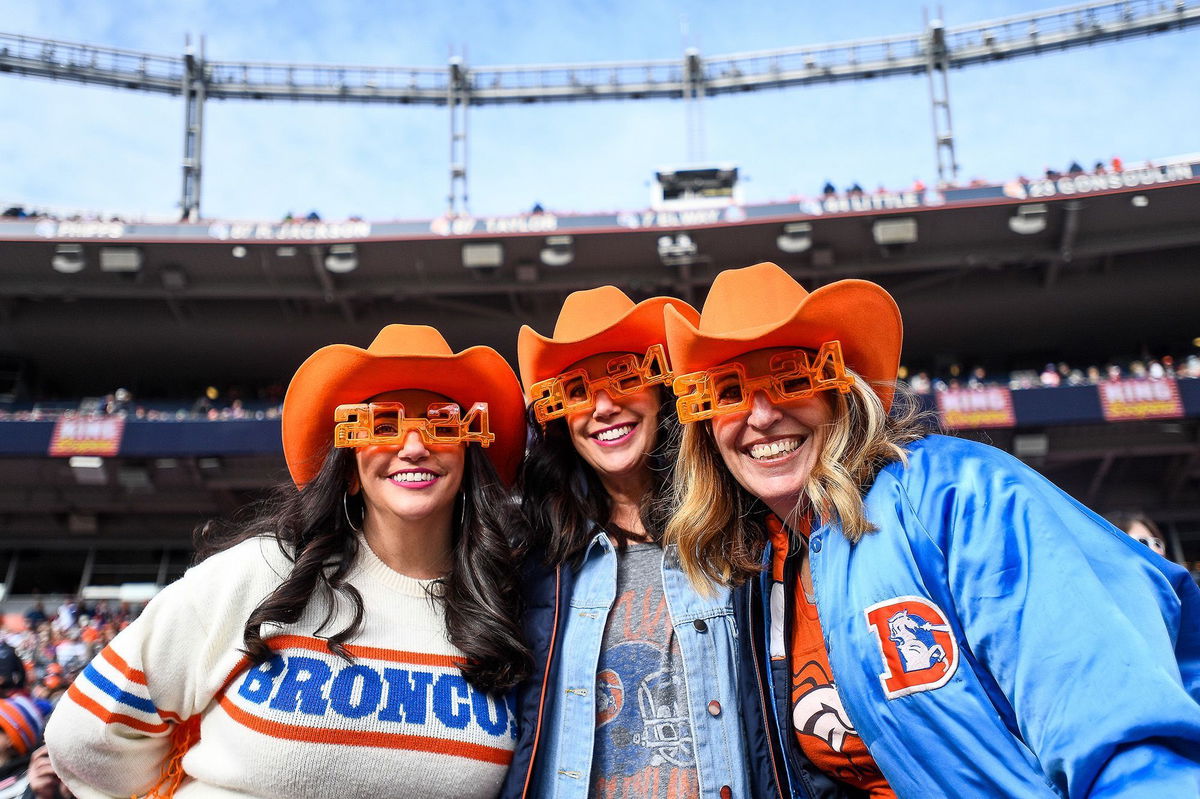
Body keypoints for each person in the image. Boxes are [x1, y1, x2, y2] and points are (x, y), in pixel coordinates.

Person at [663, 261, 1200, 798]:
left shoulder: (960, 493)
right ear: (705, 426)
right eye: (728, 392)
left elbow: (1117, 731)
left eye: (790, 379)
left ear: (839, 392)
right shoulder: (755, 570)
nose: (760, 415)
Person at [46, 324, 531, 799]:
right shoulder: (261, 572)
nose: (413, 446)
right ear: (350, 471)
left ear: (469, 459)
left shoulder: (506, 603)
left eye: (441, 424)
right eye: (383, 425)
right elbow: (86, 734)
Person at [500, 287, 750, 798]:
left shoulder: (737, 530)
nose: (605, 406)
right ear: (559, 419)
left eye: (625, 377)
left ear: (663, 389)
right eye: (576, 390)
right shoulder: (535, 560)